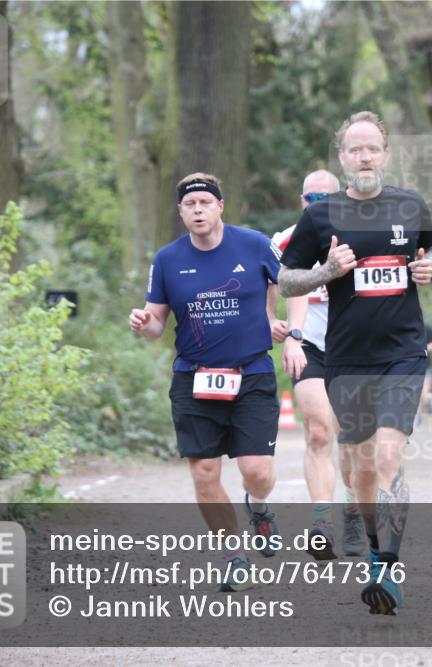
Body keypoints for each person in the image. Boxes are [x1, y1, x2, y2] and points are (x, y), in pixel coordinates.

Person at [278, 110, 432, 615]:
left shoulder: (409, 205)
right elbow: (286, 279)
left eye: (373, 148)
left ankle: (386, 570)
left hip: (403, 354)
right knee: (362, 473)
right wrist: (326, 271)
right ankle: (374, 550)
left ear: (386, 155)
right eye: (355, 149)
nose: (365, 156)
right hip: (349, 361)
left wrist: (428, 266)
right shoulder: (321, 215)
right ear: (343, 158)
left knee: (388, 458)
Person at [129, 172, 284, 592]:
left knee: (257, 472)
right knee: (203, 474)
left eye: (204, 203)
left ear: (219, 207)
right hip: (194, 377)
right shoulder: (167, 259)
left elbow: (286, 282)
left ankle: (259, 504)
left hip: (251, 373)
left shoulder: (253, 244)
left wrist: (274, 319)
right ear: (181, 212)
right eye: (189, 205)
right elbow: (157, 322)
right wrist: (144, 323)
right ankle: (234, 555)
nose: (197, 210)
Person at [273, 169, 367, 560]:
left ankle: (352, 510)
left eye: (327, 198)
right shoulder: (283, 240)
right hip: (308, 346)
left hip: (354, 346)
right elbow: (269, 284)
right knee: (316, 433)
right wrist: (270, 324)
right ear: (302, 202)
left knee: (353, 439)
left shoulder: (362, 236)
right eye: (312, 199)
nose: (320, 205)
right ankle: (321, 522)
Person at [415, 324, 432, 428]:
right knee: (416, 393)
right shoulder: (403, 328)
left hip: (425, 367)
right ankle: (418, 418)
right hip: (409, 368)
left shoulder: (426, 328)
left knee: (423, 394)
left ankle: (429, 400)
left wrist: (427, 348)